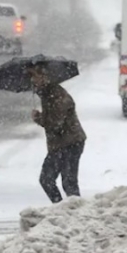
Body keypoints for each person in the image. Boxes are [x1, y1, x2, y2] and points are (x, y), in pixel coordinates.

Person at [28, 62, 87, 203]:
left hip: (70, 142)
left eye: (34, 75)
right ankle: (63, 211)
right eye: (30, 76)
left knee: (66, 182)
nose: (32, 80)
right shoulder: (47, 93)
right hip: (61, 143)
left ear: (44, 76)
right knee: (51, 180)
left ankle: (71, 213)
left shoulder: (57, 95)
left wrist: (38, 118)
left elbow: (55, 124)